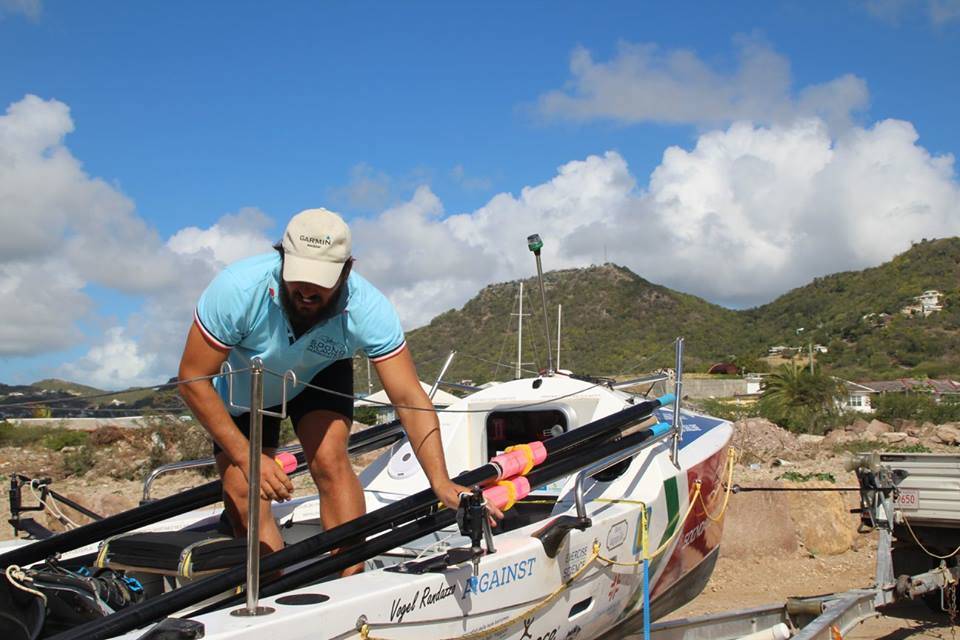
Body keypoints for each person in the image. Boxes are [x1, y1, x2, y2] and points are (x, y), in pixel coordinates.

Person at [178, 208, 500, 566]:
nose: (307, 291)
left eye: (322, 280)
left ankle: (351, 579)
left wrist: (440, 481)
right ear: (281, 259)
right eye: (298, 277)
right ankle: (270, 589)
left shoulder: (367, 308)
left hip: (317, 375)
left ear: (347, 270)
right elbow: (192, 380)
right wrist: (249, 459)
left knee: (330, 458)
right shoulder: (238, 289)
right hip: (245, 390)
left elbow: (409, 398)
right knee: (243, 489)